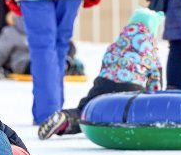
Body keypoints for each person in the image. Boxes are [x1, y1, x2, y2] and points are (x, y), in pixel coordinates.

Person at [37, 8, 164, 140]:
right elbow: (155, 83)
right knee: (127, 113)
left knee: (86, 111)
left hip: (103, 82)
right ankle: (124, 126)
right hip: (131, 87)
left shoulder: (116, 44)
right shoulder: (150, 50)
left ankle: (66, 119)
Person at [0, 12, 83, 78]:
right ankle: (63, 65)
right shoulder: (11, 32)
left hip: (43, 57)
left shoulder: (43, 30)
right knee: (40, 64)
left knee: (63, 47)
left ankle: (64, 63)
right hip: (25, 63)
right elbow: (1, 52)